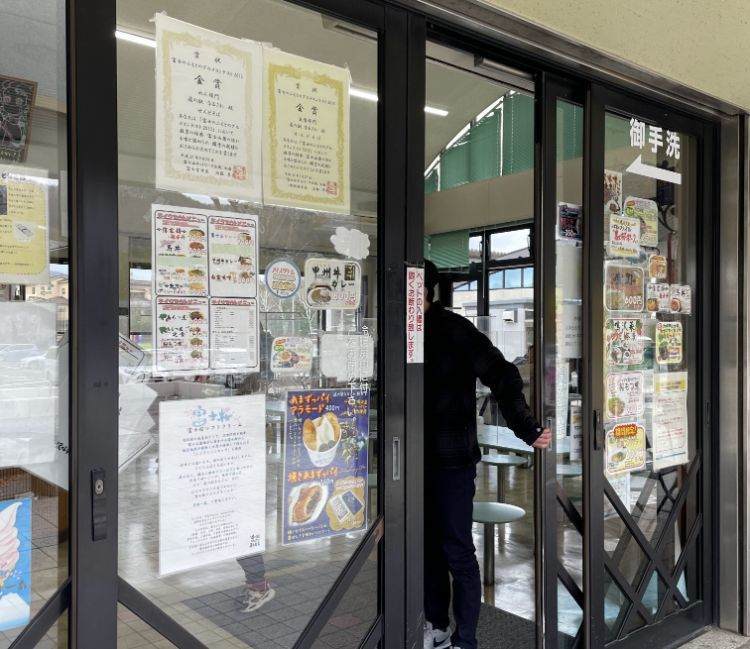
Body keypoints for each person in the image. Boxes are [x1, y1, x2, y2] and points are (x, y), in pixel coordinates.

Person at [422, 259, 551, 649]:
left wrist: (526, 427)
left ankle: (467, 639)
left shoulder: (455, 329)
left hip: (452, 461)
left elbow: (503, 374)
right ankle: (437, 626)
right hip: (412, 461)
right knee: (426, 546)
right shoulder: (400, 332)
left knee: (456, 548)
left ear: (427, 290)